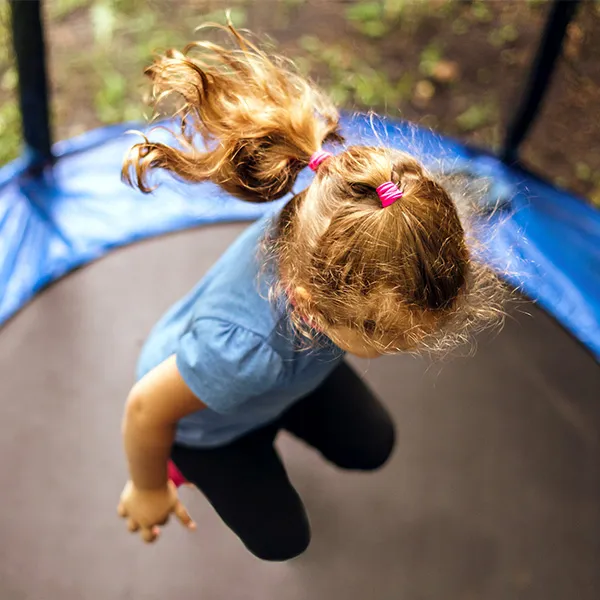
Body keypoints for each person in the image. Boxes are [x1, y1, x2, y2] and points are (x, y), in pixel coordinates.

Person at [116, 23, 504, 561]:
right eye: (382, 334)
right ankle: (190, 462)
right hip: (205, 421)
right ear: (308, 306)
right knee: (282, 540)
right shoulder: (241, 353)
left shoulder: (349, 225)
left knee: (371, 445)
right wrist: (149, 485)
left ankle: (279, 410)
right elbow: (143, 411)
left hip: (284, 377)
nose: (398, 347)